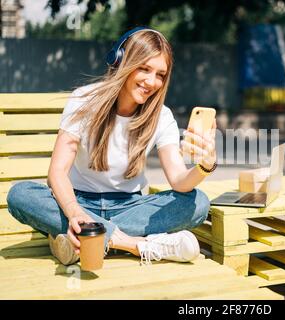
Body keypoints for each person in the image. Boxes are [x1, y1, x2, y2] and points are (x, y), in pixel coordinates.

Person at [6, 26, 217, 266]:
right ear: (120, 61)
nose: (152, 81)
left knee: (198, 202)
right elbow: (56, 172)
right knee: (20, 195)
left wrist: (205, 166)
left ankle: (82, 238)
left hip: (131, 206)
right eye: (145, 69)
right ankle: (135, 245)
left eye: (160, 74)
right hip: (79, 202)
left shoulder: (162, 116)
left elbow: (179, 181)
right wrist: (74, 211)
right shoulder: (83, 100)